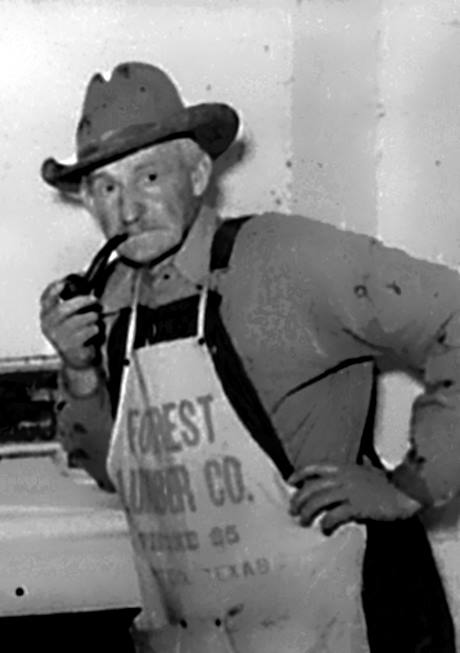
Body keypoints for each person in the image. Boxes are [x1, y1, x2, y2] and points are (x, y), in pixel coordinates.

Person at [38, 62, 458, 652]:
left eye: (150, 176)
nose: (127, 210)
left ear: (199, 172)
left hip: (343, 624)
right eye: (107, 188)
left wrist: (412, 484)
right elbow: (127, 478)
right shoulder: (107, 302)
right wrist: (79, 371)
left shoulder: (284, 261)